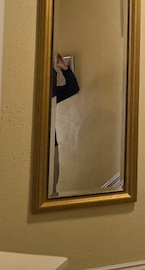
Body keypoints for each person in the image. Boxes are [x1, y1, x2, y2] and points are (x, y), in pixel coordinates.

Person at [51, 54, 79, 197]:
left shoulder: (51, 93)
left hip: (51, 143)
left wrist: (65, 69)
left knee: (51, 188)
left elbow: (73, 88)